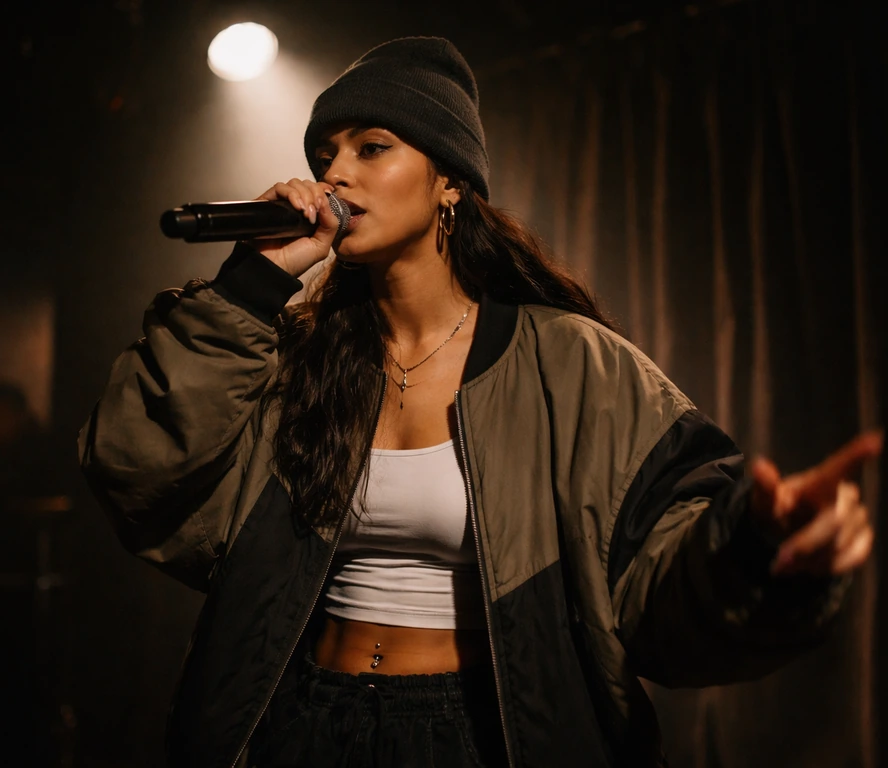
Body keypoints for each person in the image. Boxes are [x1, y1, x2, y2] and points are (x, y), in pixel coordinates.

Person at [78, 37, 882, 768]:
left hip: (472, 731)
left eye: (372, 147)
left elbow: (654, 567)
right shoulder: (294, 361)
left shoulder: (569, 362)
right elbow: (137, 466)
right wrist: (250, 284)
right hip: (302, 720)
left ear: (449, 182)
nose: (335, 176)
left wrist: (756, 552)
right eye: (325, 154)